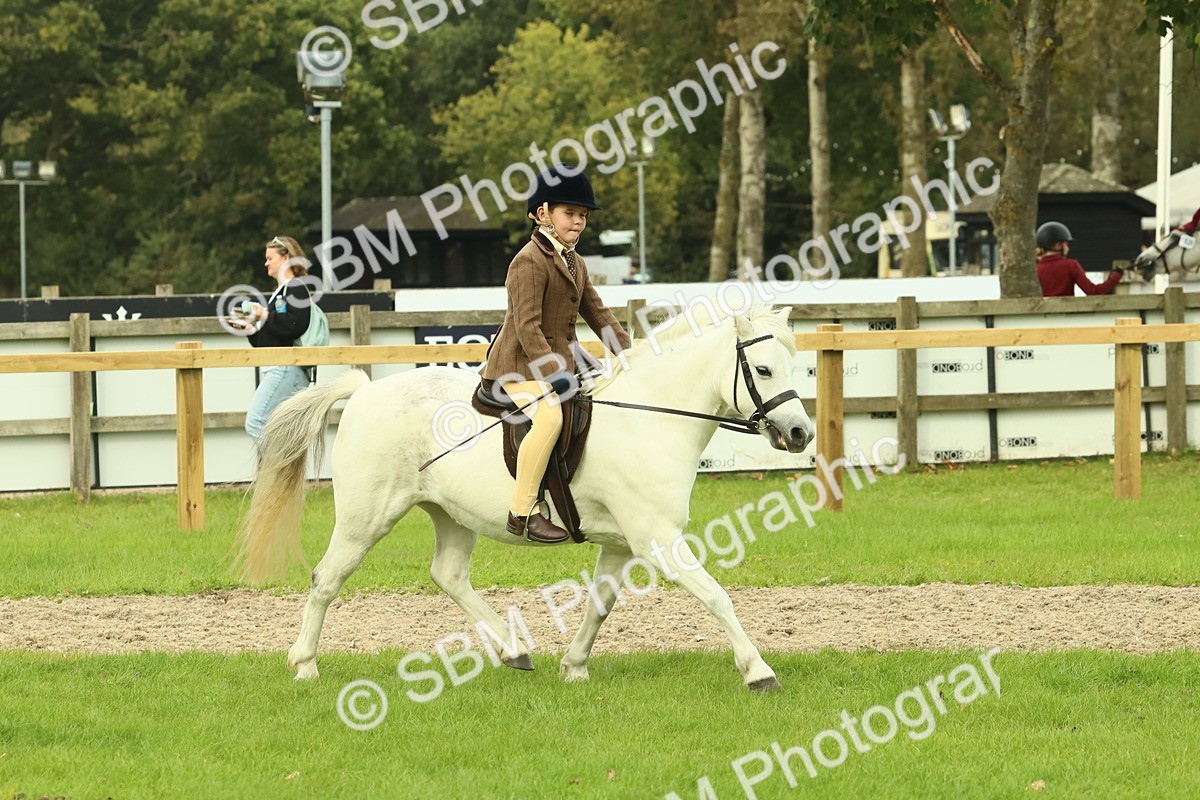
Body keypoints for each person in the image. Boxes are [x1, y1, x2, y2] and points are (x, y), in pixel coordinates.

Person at [479, 166, 632, 544]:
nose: (578, 222)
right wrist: (553, 373)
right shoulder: (527, 261)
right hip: (514, 372)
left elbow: (599, 315)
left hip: (559, 365)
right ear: (542, 213)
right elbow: (528, 327)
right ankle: (522, 511)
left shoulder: (574, 262)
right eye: (571, 213)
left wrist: (634, 355)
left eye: (583, 216)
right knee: (549, 417)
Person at [230, 235, 314, 440]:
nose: (266, 263)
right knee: (280, 431)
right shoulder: (279, 292)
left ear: (286, 258)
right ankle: (282, 471)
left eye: (270, 258)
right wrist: (250, 327)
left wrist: (264, 315)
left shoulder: (295, 287)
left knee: (256, 423)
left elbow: (296, 325)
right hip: (280, 368)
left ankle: (275, 470)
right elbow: (268, 340)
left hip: (287, 367)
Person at [1035, 221, 1123, 297]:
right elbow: (1093, 291)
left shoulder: (1035, 269)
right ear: (1058, 245)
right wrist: (1115, 278)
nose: (1068, 248)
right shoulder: (1071, 265)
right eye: (1066, 244)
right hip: (1066, 313)